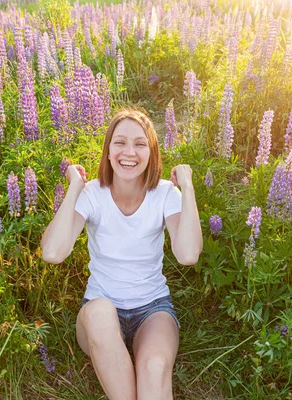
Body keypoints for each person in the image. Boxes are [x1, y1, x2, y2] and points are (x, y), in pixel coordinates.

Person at [40, 108, 202, 400]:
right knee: (101, 312)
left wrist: (188, 188)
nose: (130, 152)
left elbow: (188, 254)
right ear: (109, 149)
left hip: (152, 310)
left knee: (154, 368)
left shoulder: (166, 194)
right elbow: (52, 252)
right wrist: (75, 187)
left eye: (140, 144)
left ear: (151, 152)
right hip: (100, 313)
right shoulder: (92, 194)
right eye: (120, 142)